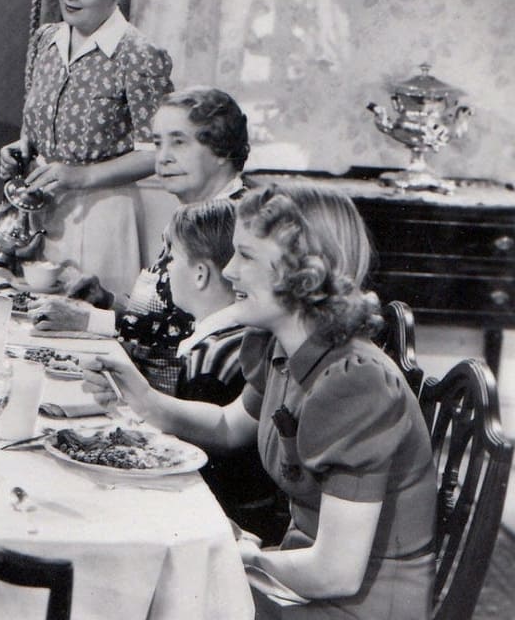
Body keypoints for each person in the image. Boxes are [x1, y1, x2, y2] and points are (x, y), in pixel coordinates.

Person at [85, 184, 436, 618]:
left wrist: (239, 557)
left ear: (304, 273)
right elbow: (229, 426)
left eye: (246, 256)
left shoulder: (355, 384)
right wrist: (144, 399)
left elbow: (336, 573)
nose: (228, 270)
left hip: (354, 605)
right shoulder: (280, 345)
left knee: (140, 595)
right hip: (300, 580)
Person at [0, 0, 173, 298]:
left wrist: (81, 177)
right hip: (42, 209)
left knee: (86, 328)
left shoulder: (140, 55)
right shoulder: (45, 40)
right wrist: (22, 148)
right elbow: (37, 123)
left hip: (103, 217)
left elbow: (158, 153)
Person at [30, 87, 249, 393]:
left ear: (223, 150)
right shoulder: (194, 214)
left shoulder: (236, 222)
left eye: (179, 142)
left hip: (184, 408)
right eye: (158, 143)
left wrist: (93, 320)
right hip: (148, 392)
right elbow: (173, 313)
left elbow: (207, 334)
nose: (163, 158)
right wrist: (107, 301)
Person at [149, 199, 288, 543]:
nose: (164, 267)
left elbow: (201, 467)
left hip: (236, 523)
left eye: (170, 256)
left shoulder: (214, 357)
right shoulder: (238, 340)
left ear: (200, 273)